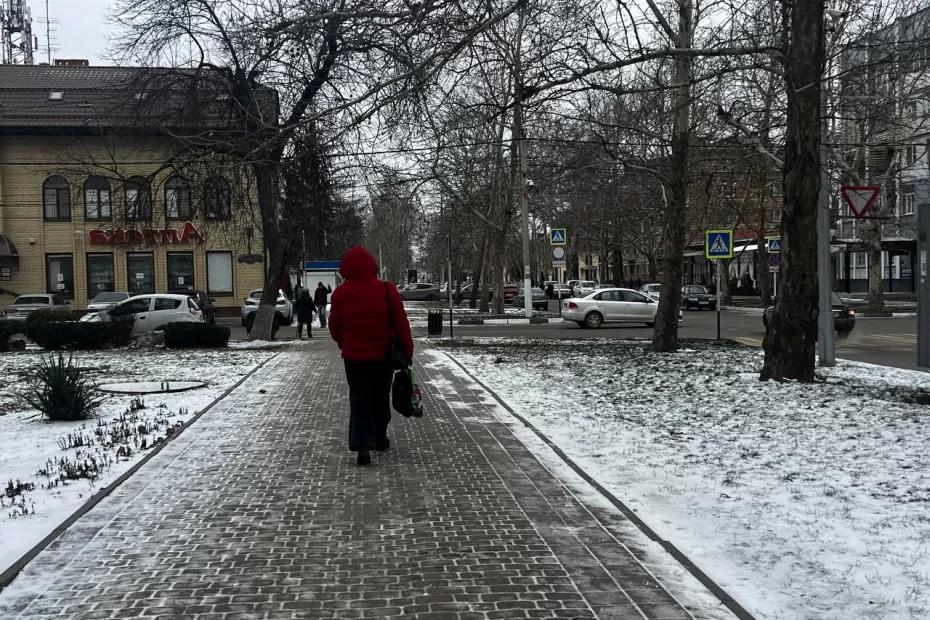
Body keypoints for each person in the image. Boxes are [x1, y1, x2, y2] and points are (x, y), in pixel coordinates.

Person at [329, 246, 414, 466]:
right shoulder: (387, 290)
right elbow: (401, 323)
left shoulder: (341, 294)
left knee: (359, 399)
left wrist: (344, 344)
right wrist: (407, 351)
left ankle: (362, 447)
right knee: (379, 397)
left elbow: (334, 326)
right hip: (382, 357)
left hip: (354, 359)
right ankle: (379, 438)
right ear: (372, 266)